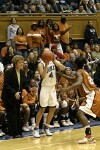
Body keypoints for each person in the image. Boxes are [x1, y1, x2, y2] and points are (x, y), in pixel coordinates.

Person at [62, 57, 100, 144]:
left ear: (75, 65)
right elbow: (73, 80)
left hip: (92, 95)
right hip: (95, 94)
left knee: (80, 113)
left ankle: (88, 137)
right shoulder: (83, 71)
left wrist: (67, 88)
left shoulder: (79, 72)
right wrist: (62, 74)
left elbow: (78, 82)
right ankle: (89, 136)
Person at [33, 48, 67, 138]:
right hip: (44, 88)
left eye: (50, 52)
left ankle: (46, 127)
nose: (49, 53)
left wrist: (54, 60)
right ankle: (36, 128)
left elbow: (63, 68)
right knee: (42, 109)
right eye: (47, 52)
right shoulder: (41, 64)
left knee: (53, 108)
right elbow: (43, 76)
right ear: (43, 54)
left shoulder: (53, 61)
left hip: (52, 87)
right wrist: (47, 64)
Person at [1, 55, 29, 138]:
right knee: (12, 114)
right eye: (20, 62)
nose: (22, 64)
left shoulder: (22, 72)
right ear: (15, 63)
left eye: (22, 62)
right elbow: (6, 85)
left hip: (17, 96)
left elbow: (24, 84)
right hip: (9, 96)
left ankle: (19, 133)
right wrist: (14, 93)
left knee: (17, 114)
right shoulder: (9, 72)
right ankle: (13, 133)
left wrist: (28, 89)